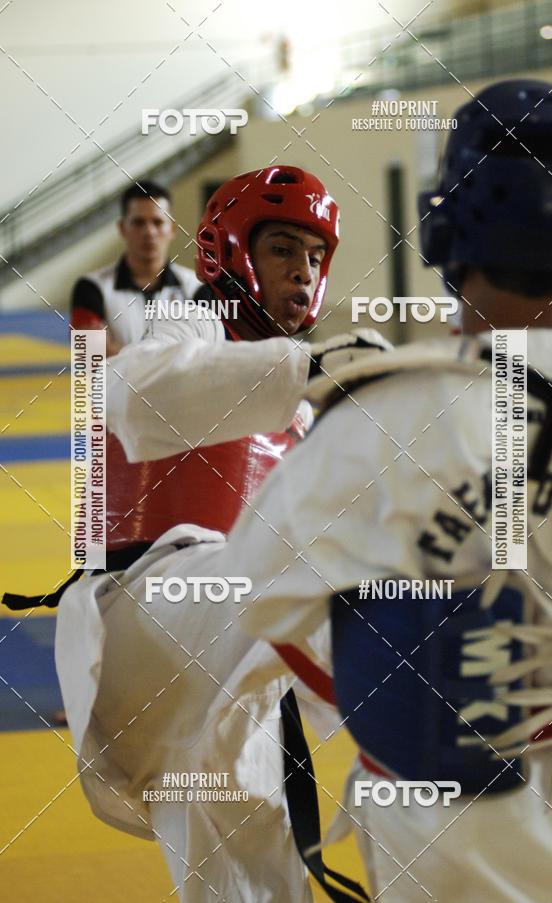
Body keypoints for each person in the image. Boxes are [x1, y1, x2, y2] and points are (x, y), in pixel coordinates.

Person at [206, 80, 552, 902]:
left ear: (445, 227)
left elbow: (255, 592)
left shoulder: (382, 412)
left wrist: (397, 653)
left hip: (445, 834)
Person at [56, 166, 387, 902]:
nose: (302, 270)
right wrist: (313, 368)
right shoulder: (197, 326)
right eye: (281, 250)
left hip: (213, 684)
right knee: (380, 611)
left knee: (253, 879)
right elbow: (125, 392)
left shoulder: (298, 403)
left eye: (313, 255)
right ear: (234, 252)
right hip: (143, 615)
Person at [70, 179, 200, 356]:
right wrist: (174, 353)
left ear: (172, 229)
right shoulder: (90, 287)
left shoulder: (196, 287)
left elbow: (207, 355)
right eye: (139, 223)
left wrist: (116, 350)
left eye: (158, 222)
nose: (149, 232)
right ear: (123, 228)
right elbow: (88, 358)